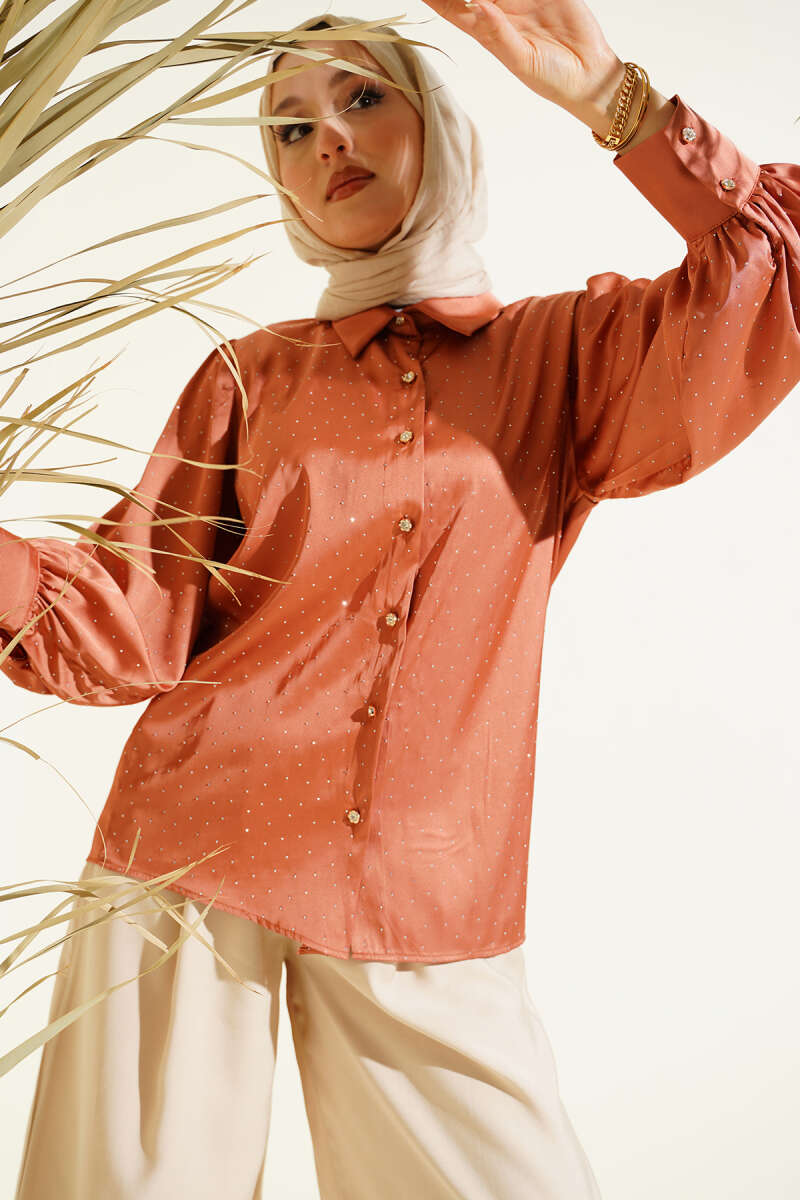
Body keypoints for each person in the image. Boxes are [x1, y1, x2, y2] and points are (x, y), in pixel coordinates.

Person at [3, 3, 799, 1197]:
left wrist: (610, 100)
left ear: (438, 125)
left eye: (362, 98)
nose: (326, 138)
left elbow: (773, 274)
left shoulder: (561, 358)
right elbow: (127, 620)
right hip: (186, 857)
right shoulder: (246, 377)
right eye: (287, 127)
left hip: (429, 884)